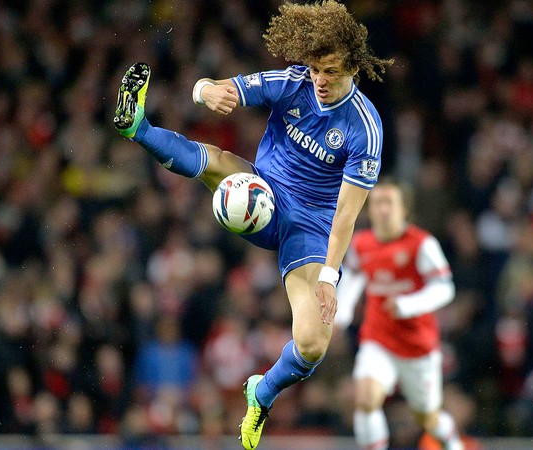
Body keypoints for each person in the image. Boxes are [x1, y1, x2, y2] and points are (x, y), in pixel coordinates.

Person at [113, 1, 393, 448]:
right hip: (263, 190)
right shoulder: (293, 83)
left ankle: (261, 393)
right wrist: (203, 90)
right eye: (316, 68)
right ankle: (137, 127)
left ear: (354, 68)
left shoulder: (365, 129)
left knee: (315, 342)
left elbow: (346, 212)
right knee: (219, 164)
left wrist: (329, 277)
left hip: (312, 230)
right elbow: (218, 87)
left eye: (332, 72)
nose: (320, 80)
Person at [336, 180, 464, 450]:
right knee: (366, 399)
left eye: (389, 203)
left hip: (418, 345)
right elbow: (354, 276)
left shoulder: (422, 244)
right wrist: (342, 312)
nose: (382, 210)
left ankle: (452, 441)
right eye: (377, 204)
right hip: (378, 338)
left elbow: (445, 288)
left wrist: (408, 305)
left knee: (427, 418)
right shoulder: (361, 244)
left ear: (404, 209)